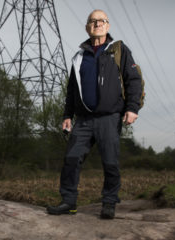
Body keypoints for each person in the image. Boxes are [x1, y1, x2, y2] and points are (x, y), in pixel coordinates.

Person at [46, 9, 142, 219]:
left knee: (110, 161)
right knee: (71, 158)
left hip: (110, 117)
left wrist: (132, 108)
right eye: (92, 21)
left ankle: (108, 203)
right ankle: (68, 202)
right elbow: (72, 89)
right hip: (84, 119)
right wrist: (67, 115)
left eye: (101, 20)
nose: (97, 23)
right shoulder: (79, 57)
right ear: (87, 27)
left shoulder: (118, 50)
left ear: (107, 26)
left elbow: (133, 80)